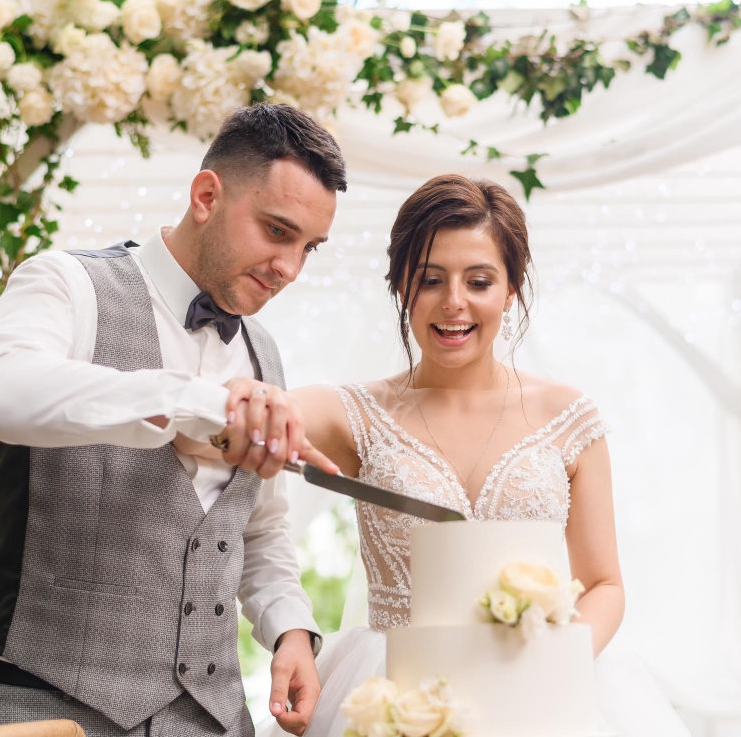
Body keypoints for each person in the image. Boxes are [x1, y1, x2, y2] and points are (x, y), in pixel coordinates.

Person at [192, 174, 692, 736]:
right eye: (430, 280)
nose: (454, 303)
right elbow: (225, 425)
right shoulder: (355, 411)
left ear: (511, 289)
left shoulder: (568, 416)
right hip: (395, 687)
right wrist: (247, 406)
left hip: (542, 688)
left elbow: (604, 584)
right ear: (403, 288)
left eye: (478, 281)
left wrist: (553, 662)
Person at [0, 103, 345, 737]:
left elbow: (258, 528)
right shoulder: (67, 284)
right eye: (278, 231)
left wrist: (290, 631)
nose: (290, 268)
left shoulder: (264, 355)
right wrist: (199, 402)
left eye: (309, 247)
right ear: (205, 195)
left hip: (211, 719)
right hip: (43, 710)